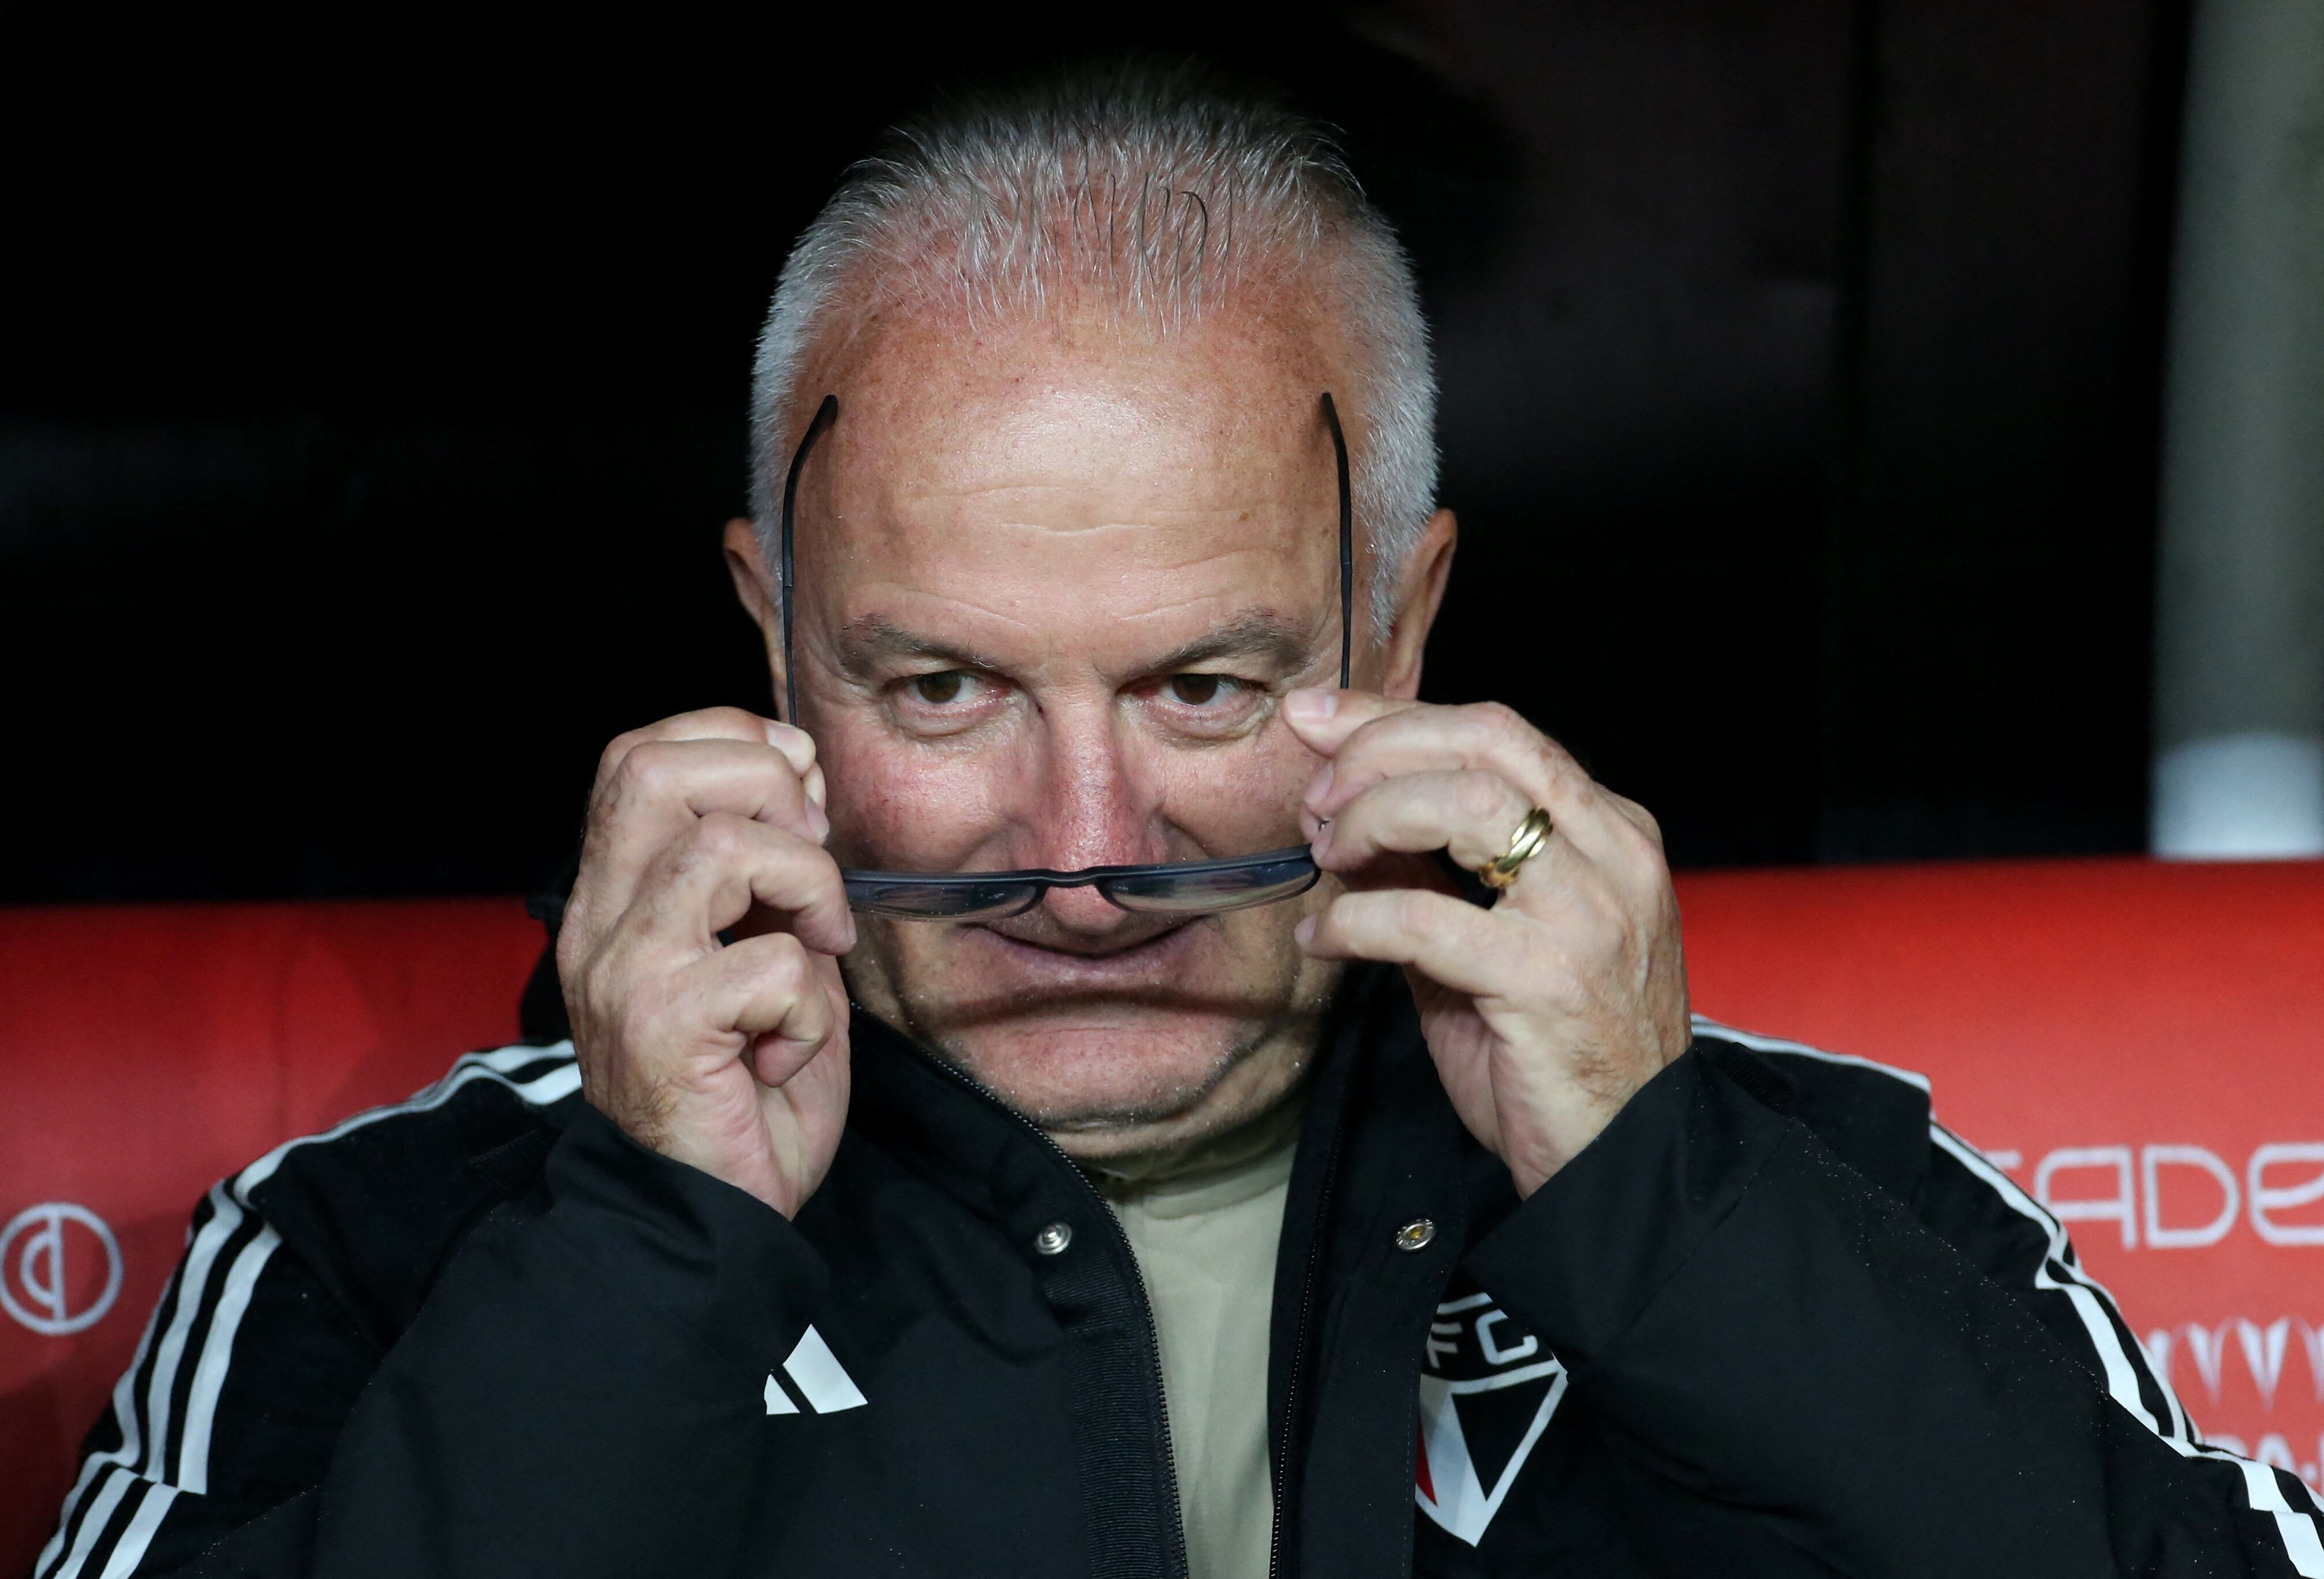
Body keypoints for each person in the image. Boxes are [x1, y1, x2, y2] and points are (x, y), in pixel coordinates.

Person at [38, 62, 2324, 1579]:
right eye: (942, 688)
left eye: (1203, 688)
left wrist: (1671, 1208)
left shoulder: (1805, 1195)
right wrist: (642, 1259)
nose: (1081, 849)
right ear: (772, 647)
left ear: (1401, 630)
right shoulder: (390, 1249)